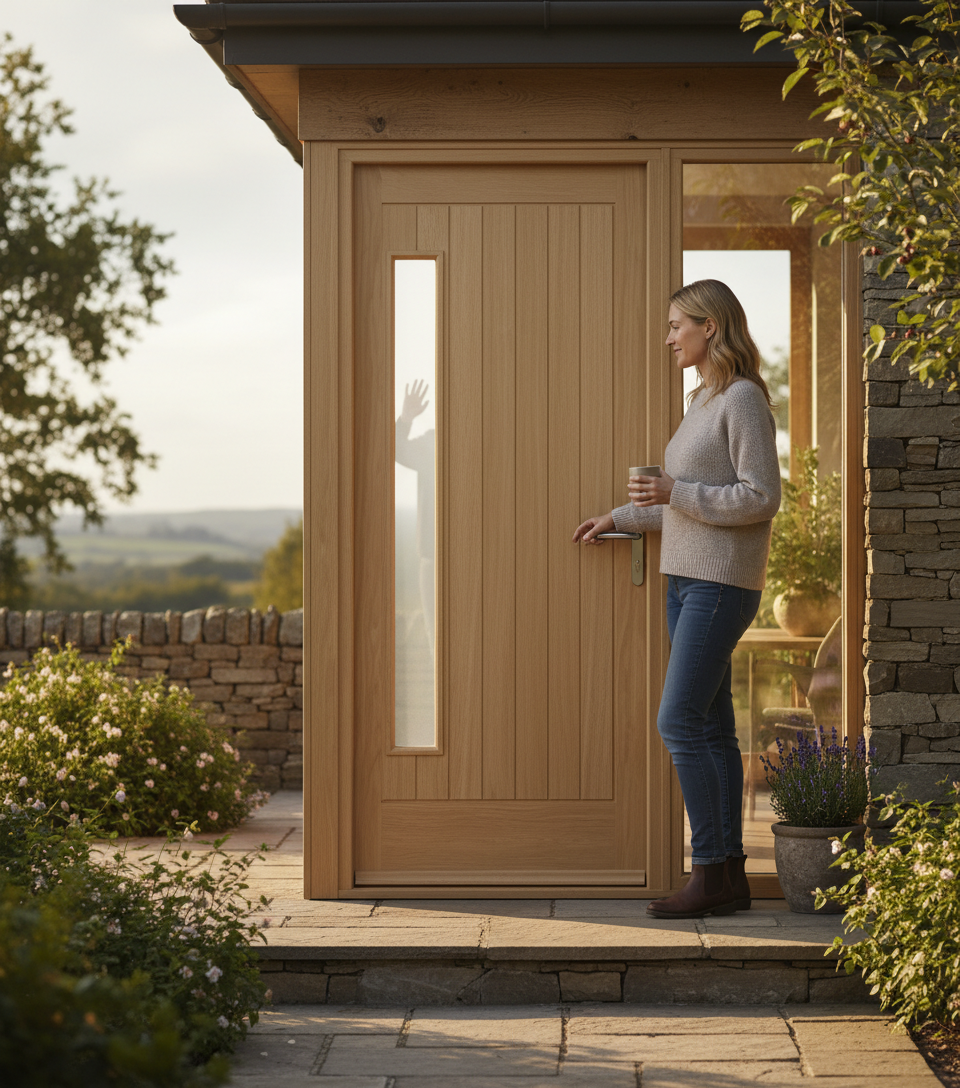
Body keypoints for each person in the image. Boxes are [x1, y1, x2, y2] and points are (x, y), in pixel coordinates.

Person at [573, 279, 781, 919]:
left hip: (720, 585)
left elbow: (759, 498)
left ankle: (708, 868)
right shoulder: (703, 401)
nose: (668, 338)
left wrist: (672, 492)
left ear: (710, 327)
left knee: (678, 722)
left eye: (676, 326)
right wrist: (620, 517)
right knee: (713, 728)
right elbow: (686, 505)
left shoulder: (742, 399)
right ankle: (728, 879)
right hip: (685, 578)